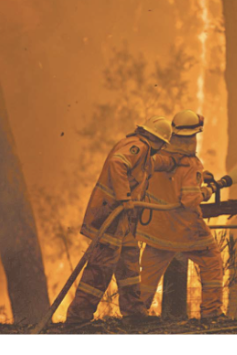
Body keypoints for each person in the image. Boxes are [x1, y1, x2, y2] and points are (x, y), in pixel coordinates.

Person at [66, 116, 173, 324]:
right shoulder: (137, 146)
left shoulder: (142, 150)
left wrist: (174, 161)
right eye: (162, 144)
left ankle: (134, 313)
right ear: (156, 139)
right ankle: (78, 318)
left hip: (122, 221)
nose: (161, 148)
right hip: (111, 216)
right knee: (101, 267)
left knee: (129, 264)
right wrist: (125, 197)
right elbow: (118, 163)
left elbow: (154, 164)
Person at [138, 110, 225, 320]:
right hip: (186, 230)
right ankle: (211, 312)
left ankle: (136, 314)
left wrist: (201, 177)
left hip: (156, 230)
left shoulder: (159, 156)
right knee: (211, 261)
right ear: (194, 136)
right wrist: (207, 190)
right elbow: (189, 200)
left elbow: (171, 180)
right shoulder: (190, 164)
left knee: (147, 276)